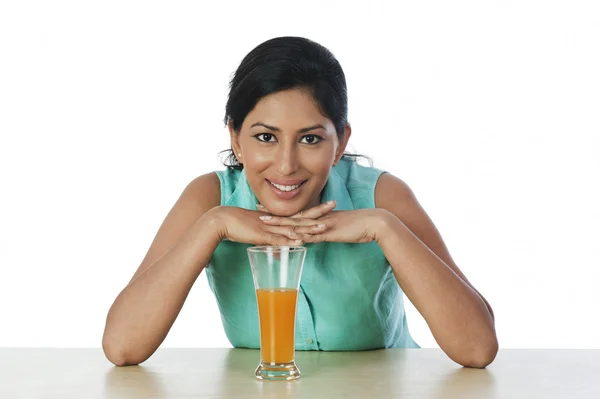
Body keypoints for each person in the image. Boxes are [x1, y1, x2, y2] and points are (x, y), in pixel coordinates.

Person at [102, 36, 498, 369]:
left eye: (310, 139)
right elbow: (122, 347)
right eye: (265, 137)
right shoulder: (209, 199)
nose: (287, 165)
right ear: (236, 139)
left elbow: (477, 349)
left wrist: (384, 228)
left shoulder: (381, 197)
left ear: (340, 142)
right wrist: (213, 225)